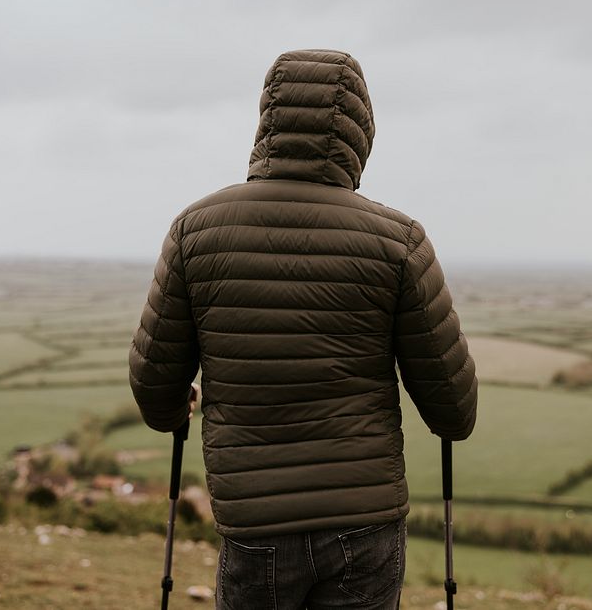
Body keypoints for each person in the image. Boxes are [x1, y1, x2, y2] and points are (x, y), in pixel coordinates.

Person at [129, 49, 478, 609]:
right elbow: (454, 410)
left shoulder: (194, 231)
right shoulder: (399, 240)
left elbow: (153, 383)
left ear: (267, 121)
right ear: (360, 132)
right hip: (366, 522)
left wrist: (175, 412)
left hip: (255, 522)